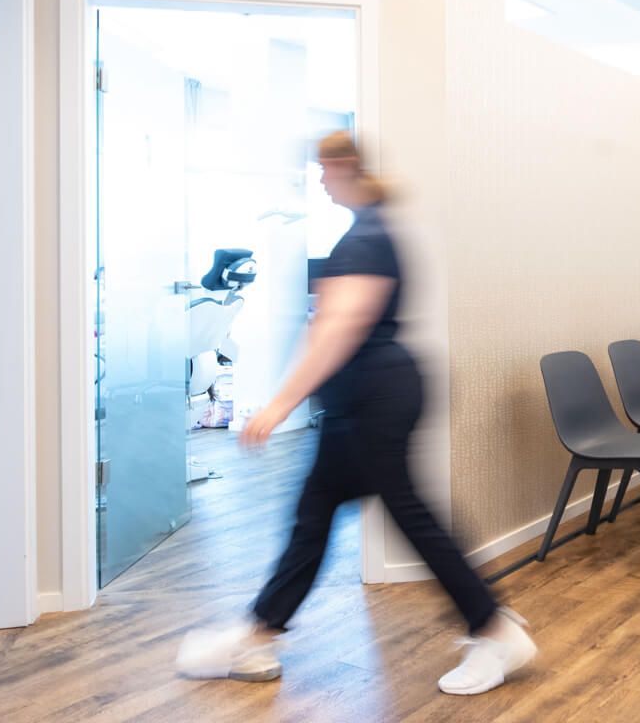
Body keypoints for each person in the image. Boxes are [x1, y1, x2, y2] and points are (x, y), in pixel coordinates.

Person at [176, 131, 537, 695]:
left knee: (400, 516)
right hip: (365, 398)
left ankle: (493, 629)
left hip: (374, 399)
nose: (321, 180)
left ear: (345, 165)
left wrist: (279, 403)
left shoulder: (366, 237)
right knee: (317, 515)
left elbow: (339, 328)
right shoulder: (371, 229)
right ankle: (259, 633)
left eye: (324, 169)